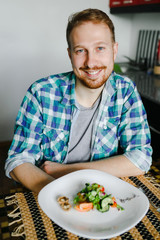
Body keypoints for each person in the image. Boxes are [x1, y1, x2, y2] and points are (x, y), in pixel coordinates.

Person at [5, 8, 152, 193]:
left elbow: (141, 158)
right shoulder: (41, 92)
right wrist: (61, 195)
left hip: (103, 194)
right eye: (81, 50)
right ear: (70, 54)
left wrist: (67, 171)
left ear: (114, 50)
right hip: (46, 193)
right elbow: (18, 160)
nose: (90, 63)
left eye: (100, 48)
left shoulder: (126, 91)